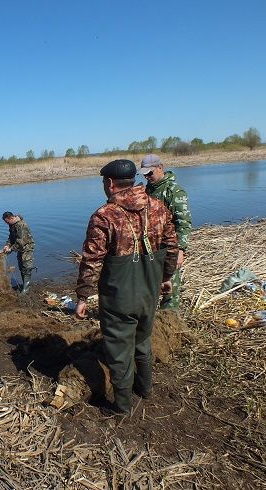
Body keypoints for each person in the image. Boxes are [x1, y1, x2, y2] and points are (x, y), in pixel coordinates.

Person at [74, 160, 178, 416]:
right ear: (132, 180)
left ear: (109, 183)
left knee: (119, 350)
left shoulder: (104, 216)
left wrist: (83, 296)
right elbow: (171, 247)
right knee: (142, 340)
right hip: (149, 290)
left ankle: (122, 407)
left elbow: (92, 259)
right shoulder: (158, 207)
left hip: (119, 296)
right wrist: (166, 277)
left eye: (103, 183)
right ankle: (145, 389)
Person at [138, 154, 192, 310]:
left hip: (169, 248)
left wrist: (180, 249)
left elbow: (183, 223)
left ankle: (171, 320)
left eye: (150, 173)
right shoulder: (148, 190)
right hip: (150, 249)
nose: (147, 177)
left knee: (170, 289)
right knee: (149, 284)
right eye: (145, 174)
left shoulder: (174, 191)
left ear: (160, 168)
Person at [2, 211, 35, 293]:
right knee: (21, 267)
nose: (6, 224)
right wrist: (8, 245)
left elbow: (21, 241)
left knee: (26, 267)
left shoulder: (21, 225)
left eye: (7, 222)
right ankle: (25, 285)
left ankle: (26, 289)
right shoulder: (12, 225)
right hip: (20, 248)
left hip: (27, 247)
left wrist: (11, 249)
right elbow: (11, 237)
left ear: (11, 218)